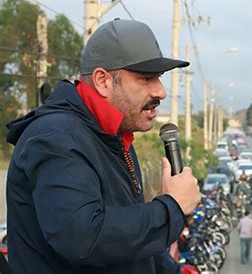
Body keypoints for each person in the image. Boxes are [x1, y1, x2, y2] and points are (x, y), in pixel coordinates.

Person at [5, 19, 201, 274]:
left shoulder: (113, 135)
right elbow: (84, 237)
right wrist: (171, 208)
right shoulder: (56, 138)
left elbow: (131, 245)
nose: (161, 92)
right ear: (103, 81)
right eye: (146, 78)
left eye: (159, 78)